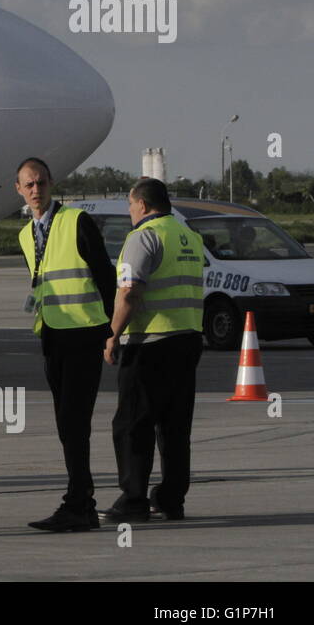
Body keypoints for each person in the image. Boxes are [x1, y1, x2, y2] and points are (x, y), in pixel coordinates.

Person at [15, 157, 116, 532]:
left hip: (86, 334)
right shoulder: (26, 235)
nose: (36, 190)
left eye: (41, 182)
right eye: (29, 185)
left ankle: (79, 504)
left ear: (51, 183)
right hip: (53, 336)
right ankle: (81, 502)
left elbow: (105, 277)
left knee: (74, 422)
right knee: (65, 424)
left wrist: (112, 334)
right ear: (19, 190)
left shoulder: (76, 222)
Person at [101, 178, 205, 523]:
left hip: (149, 343)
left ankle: (133, 499)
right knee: (175, 426)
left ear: (142, 205)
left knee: (133, 423)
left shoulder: (143, 237)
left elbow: (130, 291)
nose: (130, 212)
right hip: (188, 338)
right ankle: (172, 499)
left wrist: (113, 334)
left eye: (130, 205)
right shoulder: (187, 235)